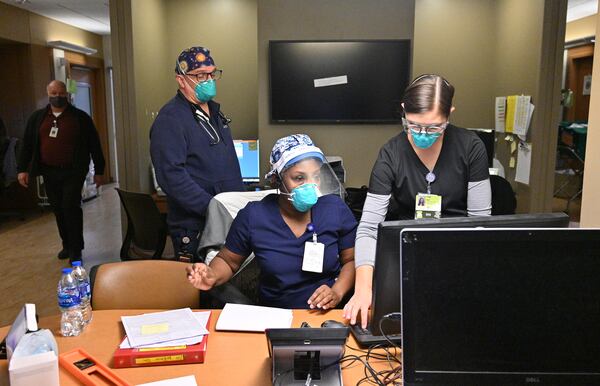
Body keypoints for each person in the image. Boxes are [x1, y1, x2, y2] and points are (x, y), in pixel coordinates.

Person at [343, 74, 492, 327]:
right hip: (405, 257)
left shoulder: (470, 147)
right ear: (404, 111)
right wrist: (363, 289)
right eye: (413, 125)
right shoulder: (391, 154)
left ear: (450, 114)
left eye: (434, 127)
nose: (423, 134)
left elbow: (481, 223)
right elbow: (368, 228)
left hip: (458, 257)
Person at [187, 134, 357, 309]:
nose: (310, 185)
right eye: (299, 178)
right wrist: (212, 274)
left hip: (328, 314)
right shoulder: (253, 216)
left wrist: (337, 291)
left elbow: (351, 261)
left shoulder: (335, 209)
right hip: (276, 316)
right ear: (276, 179)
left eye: (315, 176)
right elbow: (228, 261)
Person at [150, 46, 244, 262]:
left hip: (229, 219)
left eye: (212, 73)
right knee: (199, 290)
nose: (209, 79)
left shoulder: (214, 112)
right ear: (181, 79)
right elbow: (171, 177)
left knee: (226, 287)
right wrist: (214, 208)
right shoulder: (170, 119)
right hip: (195, 228)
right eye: (200, 75)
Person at [17, 80, 105, 263]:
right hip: (49, 171)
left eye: (61, 93)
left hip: (73, 171)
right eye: (53, 93)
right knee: (57, 208)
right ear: (48, 94)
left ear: (66, 94)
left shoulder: (80, 118)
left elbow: (94, 144)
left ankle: (76, 249)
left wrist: (99, 170)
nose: (57, 97)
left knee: (70, 207)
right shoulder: (38, 118)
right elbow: (27, 145)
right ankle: (66, 244)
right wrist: (22, 169)